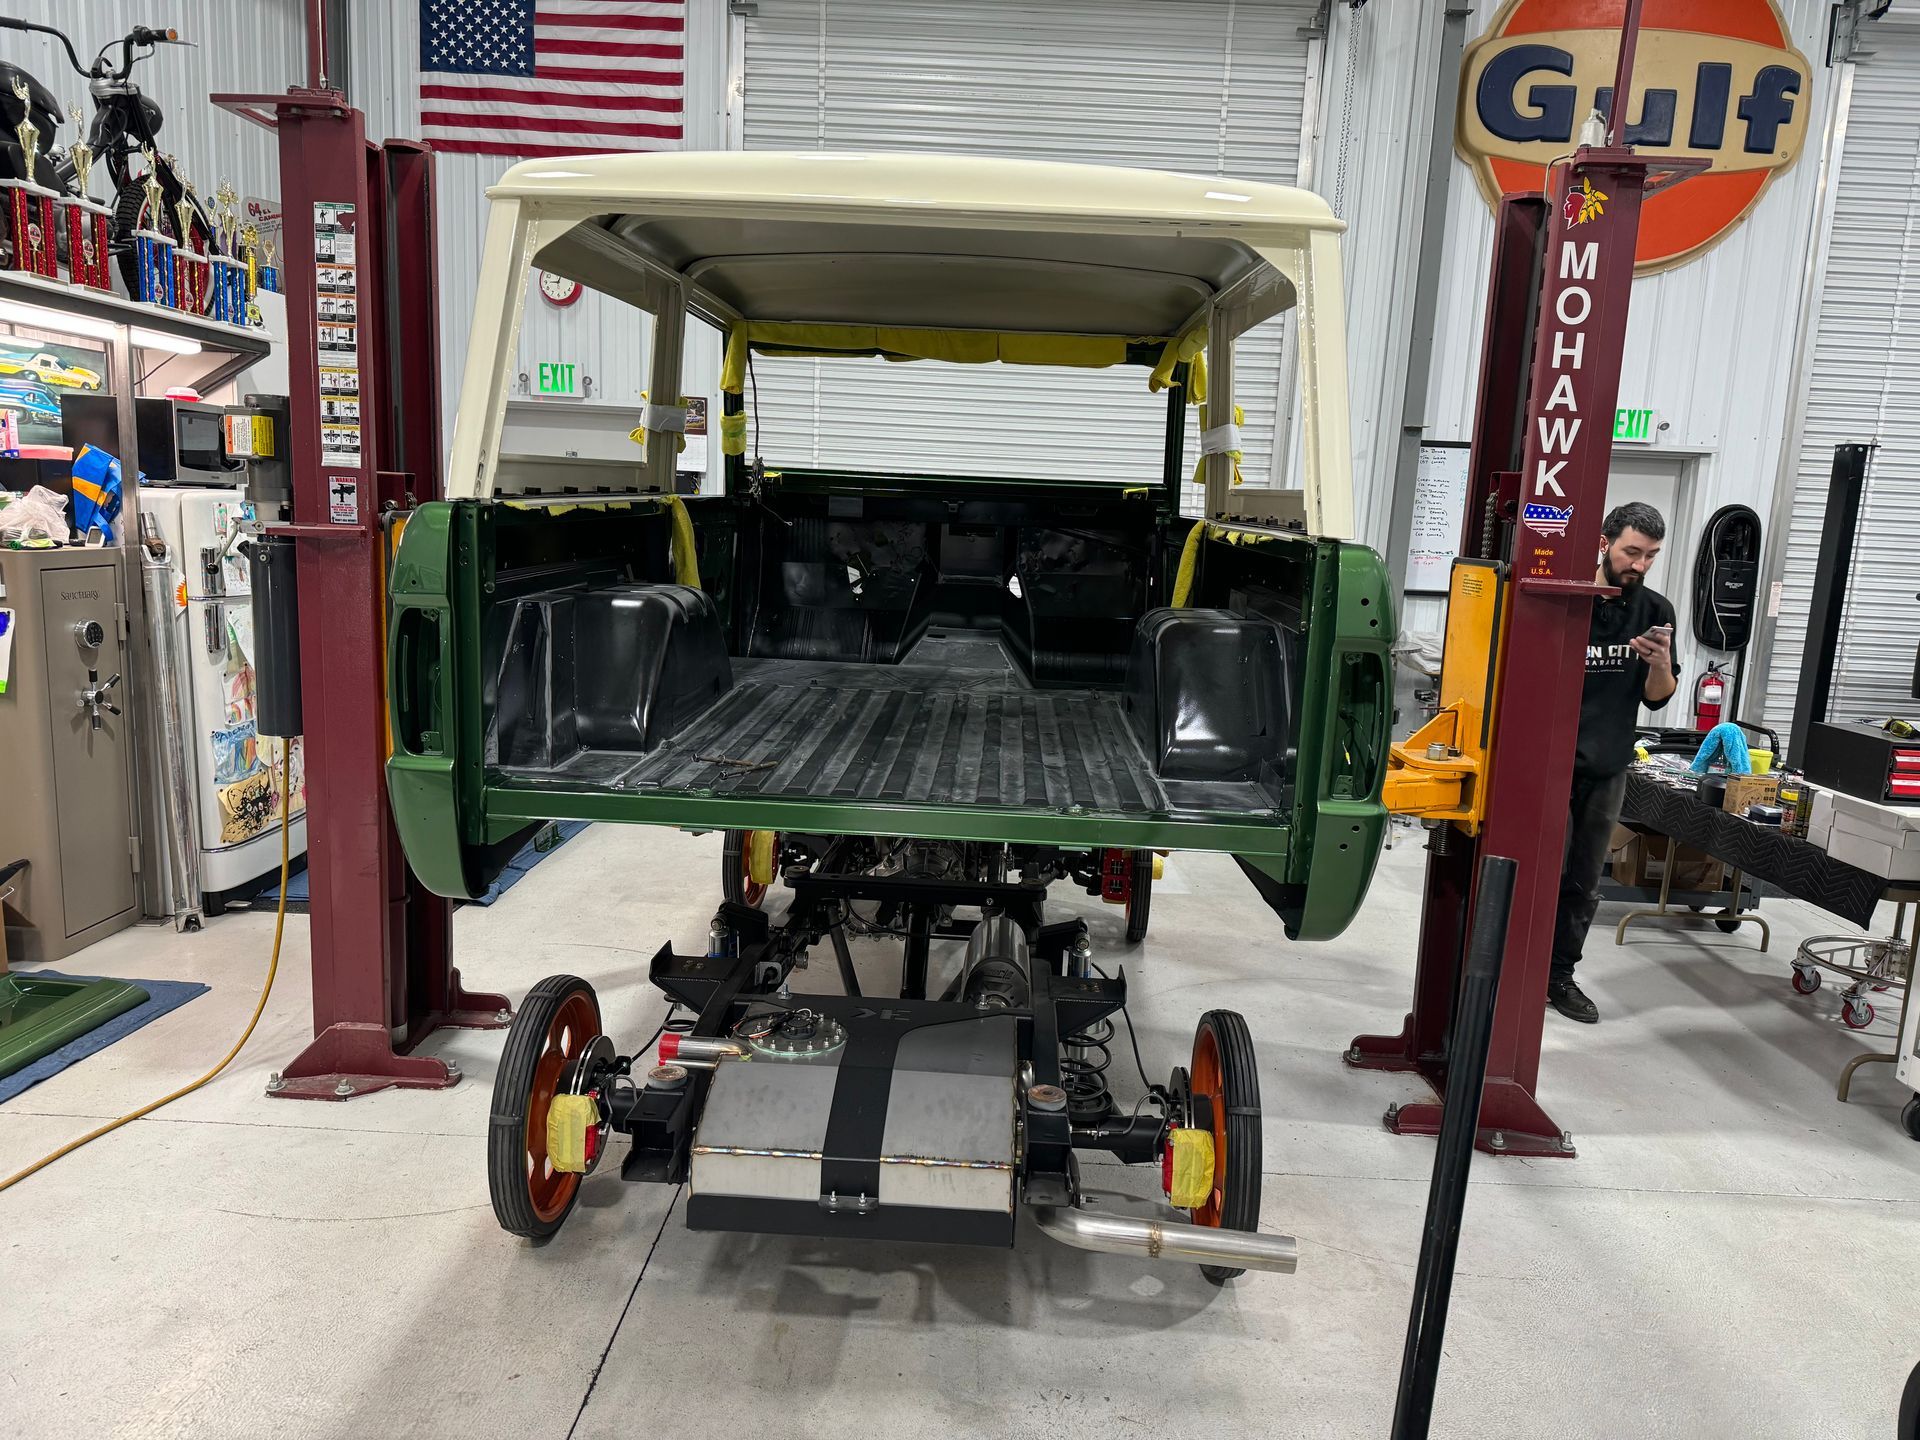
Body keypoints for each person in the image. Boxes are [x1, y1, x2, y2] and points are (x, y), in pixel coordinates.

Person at [1547, 501, 1680, 1024]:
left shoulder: (1655, 611)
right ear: (1603, 543)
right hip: (1550, 764)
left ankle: (1560, 976)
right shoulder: (1567, 601)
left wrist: (1661, 664)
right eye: (1632, 552)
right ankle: (1515, 969)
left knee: (1584, 882)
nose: (1640, 565)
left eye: (1651, 556)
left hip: (1607, 768)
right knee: (1542, 872)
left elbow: (1657, 697)